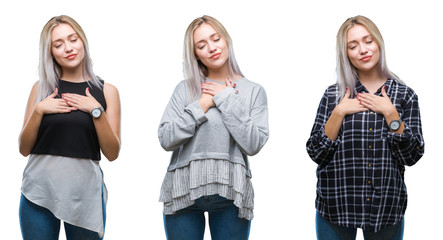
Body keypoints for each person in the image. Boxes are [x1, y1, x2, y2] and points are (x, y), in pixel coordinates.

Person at [306, 15, 424, 240]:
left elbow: (412, 156)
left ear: (378, 42)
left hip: (385, 210)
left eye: (368, 41)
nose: (362, 49)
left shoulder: (405, 95)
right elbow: (316, 152)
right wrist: (339, 112)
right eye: (353, 45)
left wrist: (391, 114)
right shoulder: (333, 95)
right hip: (336, 206)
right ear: (346, 53)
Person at [158, 15, 269, 240]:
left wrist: (226, 99)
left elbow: (253, 144)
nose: (211, 48)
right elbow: (166, 138)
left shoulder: (253, 91)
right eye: (201, 45)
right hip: (184, 192)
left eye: (215, 39)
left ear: (226, 40)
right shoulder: (185, 89)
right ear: (195, 54)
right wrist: (202, 105)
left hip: (231, 194)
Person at [18, 15, 121, 240]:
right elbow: (24, 149)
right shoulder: (41, 89)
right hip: (39, 192)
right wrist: (39, 111)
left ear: (82, 41)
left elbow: (112, 153)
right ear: (51, 52)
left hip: (84, 195)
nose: (68, 48)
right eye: (58, 44)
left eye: (73, 39)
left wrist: (96, 111)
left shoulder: (107, 91)